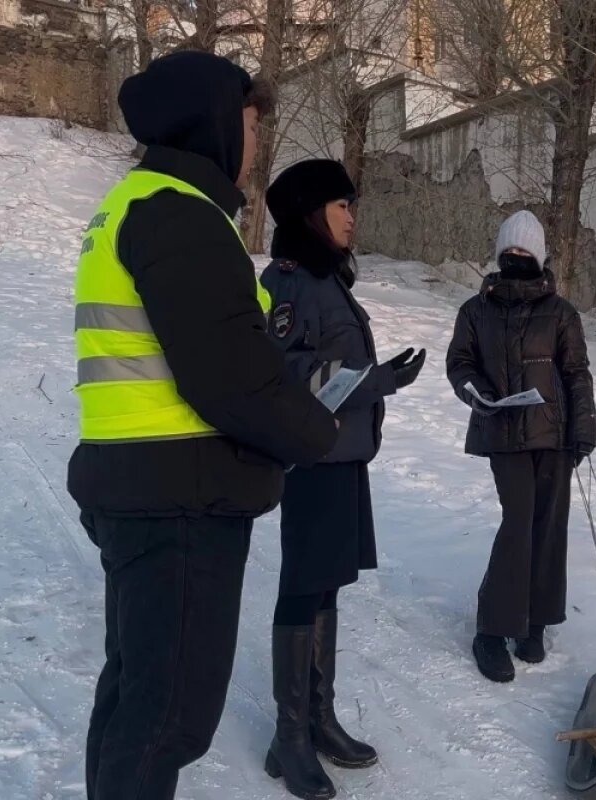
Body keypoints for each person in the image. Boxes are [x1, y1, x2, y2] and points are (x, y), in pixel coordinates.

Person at [69, 53, 340, 800]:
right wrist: (320, 434)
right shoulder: (179, 215)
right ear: (218, 123)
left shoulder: (139, 203)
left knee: (136, 697)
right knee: (168, 719)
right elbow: (231, 380)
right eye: (251, 123)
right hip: (178, 496)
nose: (256, 141)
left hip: (143, 484)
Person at [259, 159, 426, 799]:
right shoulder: (290, 282)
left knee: (327, 583)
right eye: (342, 205)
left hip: (344, 455)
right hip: (313, 457)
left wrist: (381, 378)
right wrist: (378, 381)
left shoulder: (330, 280)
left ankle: (318, 718)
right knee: (303, 586)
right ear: (311, 213)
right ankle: (289, 737)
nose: (353, 216)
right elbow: (291, 374)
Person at [445, 210, 596, 683]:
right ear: (498, 254)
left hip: (553, 434)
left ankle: (534, 620)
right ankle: (492, 629)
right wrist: (475, 390)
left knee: (548, 525)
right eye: (508, 251)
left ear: (538, 256)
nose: (515, 258)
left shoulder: (561, 312)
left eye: (524, 252)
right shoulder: (475, 310)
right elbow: (460, 363)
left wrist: (585, 427)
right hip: (503, 433)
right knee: (518, 523)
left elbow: (576, 373)